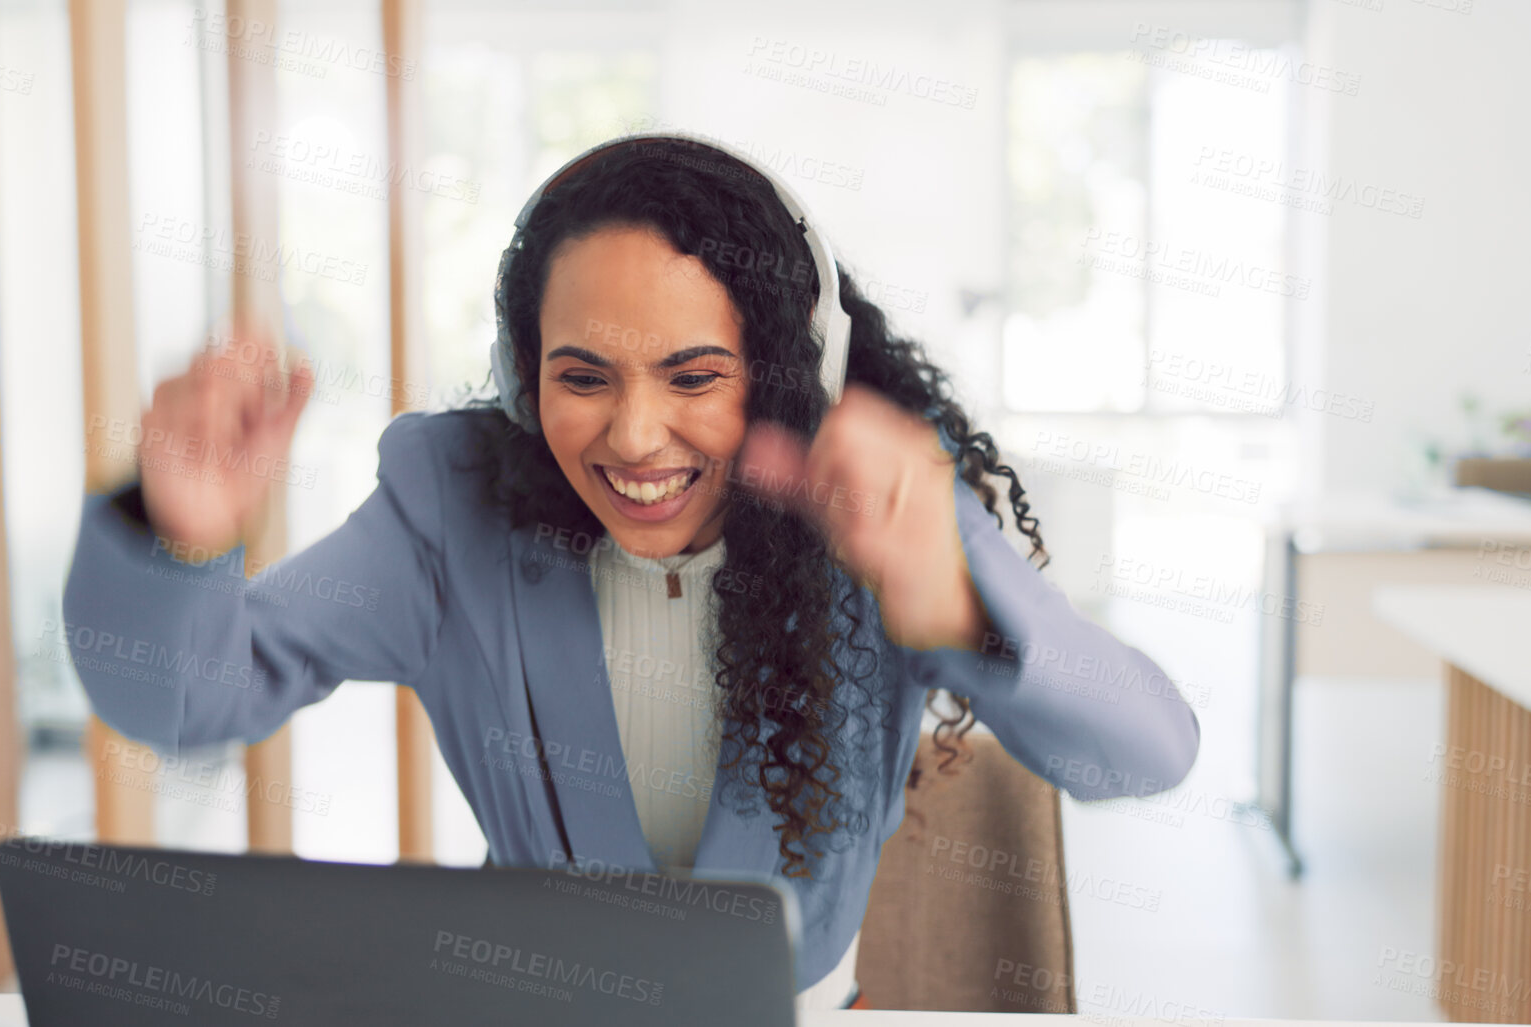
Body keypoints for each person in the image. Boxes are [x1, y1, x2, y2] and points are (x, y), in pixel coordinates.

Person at [61, 133, 1200, 1012]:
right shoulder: (451, 510)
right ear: (523, 376)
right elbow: (179, 702)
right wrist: (180, 536)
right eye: (584, 375)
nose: (636, 437)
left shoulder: (879, 506)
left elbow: (1144, 753)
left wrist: (953, 600)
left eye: (696, 375)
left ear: (789, 372)